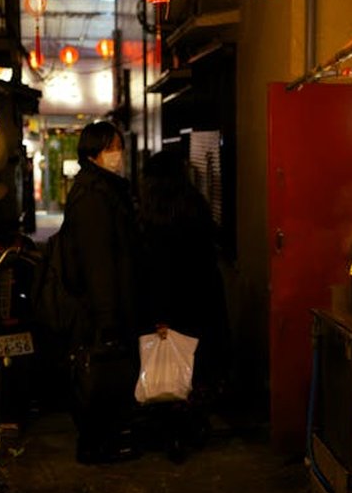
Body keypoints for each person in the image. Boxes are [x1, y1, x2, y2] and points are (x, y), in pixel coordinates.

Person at [137, 150, 230, 460]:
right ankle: (191, 427)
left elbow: (152, 269)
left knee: (168, 368)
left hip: (166, 303)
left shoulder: (148, 215)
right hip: (201, 300)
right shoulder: (195, 205)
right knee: (197, 367)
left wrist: (158, 314)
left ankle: (171, 433)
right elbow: (207, 254)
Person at [60, 121, 142, 464]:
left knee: (107, 374)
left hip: (107, 303)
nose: (118, 154)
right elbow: (98, 261)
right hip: (101, 308)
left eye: (119, 146)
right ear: (93, 153)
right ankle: (97, 444)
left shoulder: (103, 189)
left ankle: (103, 440)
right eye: (111, 147)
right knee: (102, 374)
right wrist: (107, 315)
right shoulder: (94, 196)